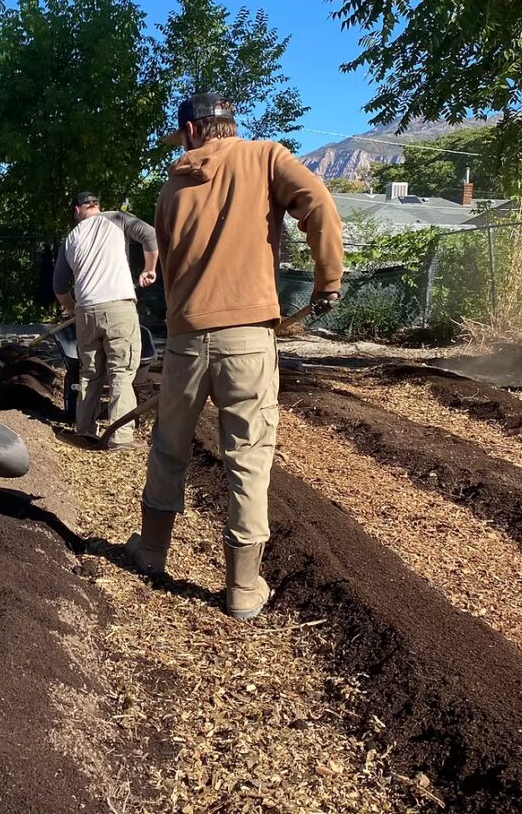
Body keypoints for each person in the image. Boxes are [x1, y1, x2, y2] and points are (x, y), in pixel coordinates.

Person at [125, 92, 343, 620]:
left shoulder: (171, 188)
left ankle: (151, 552)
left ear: (192, 132)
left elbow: (172, 269)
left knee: (169, 448)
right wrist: (328, 279)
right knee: (247, 459)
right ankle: (243, 589)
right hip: (247, 339)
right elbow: (317, 204)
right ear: (226, 126)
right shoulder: (266, 156)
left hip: (185, 339)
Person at [53, 192, 159, 449]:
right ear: (96, 206)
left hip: (87, 311)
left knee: (90, 373)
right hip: (119, 308)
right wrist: (149, 268)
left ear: (77, 210)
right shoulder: (116, 219)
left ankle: (85, 429)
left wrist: (73, 310)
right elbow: (150, 235)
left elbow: (59, 287)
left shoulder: (70, 239)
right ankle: (120, 437)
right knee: (121, 372)